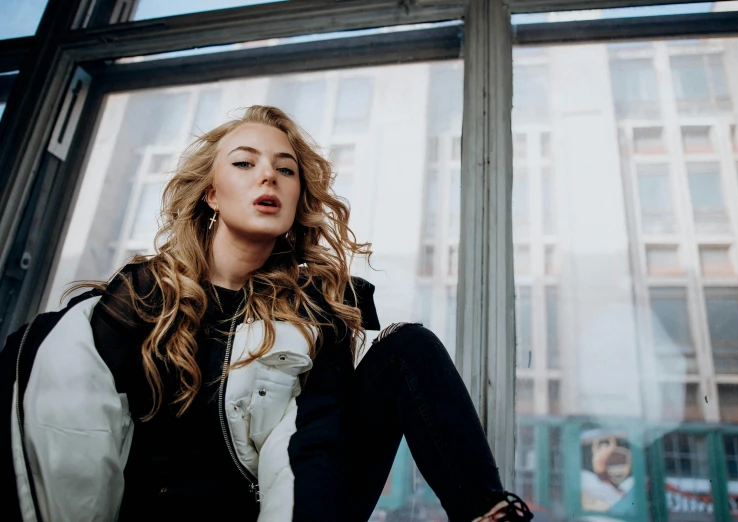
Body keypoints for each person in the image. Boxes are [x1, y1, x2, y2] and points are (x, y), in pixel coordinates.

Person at [11, 106, 533, 522]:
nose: (270, 176)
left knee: (408, 347)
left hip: (292, 497)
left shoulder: (321, 306)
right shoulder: (145, 295)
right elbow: (78, 422)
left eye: (286, 170)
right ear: (211, 194)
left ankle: (488, 514)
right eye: (245, 163)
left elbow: (316, 438)